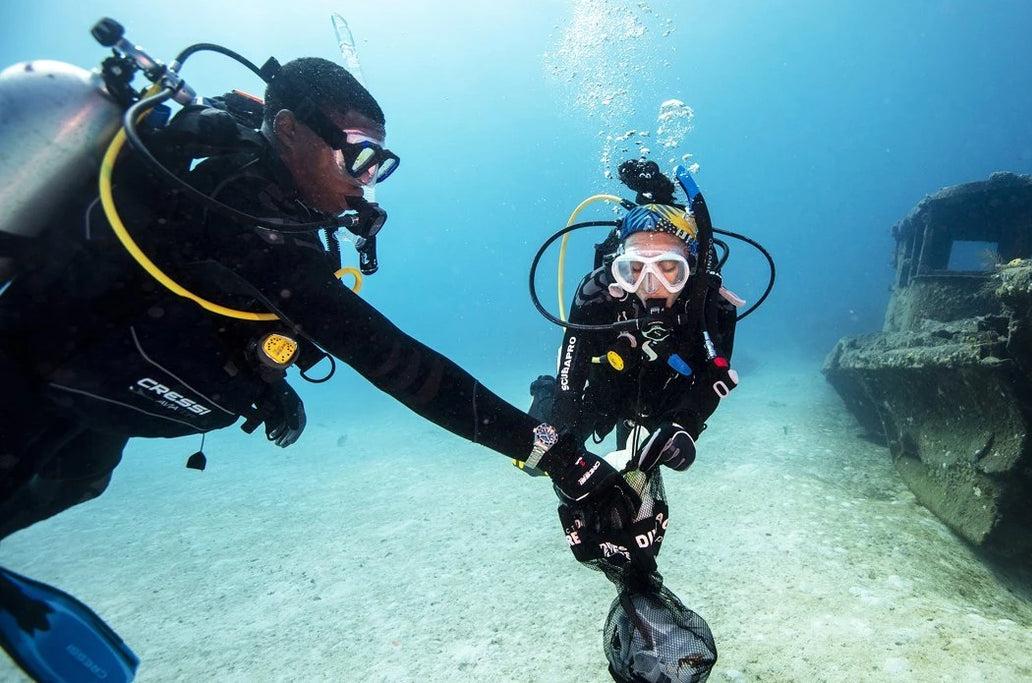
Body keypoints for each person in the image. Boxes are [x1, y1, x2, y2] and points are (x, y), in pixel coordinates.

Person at [0, 53, 635, 680]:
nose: (367, 179)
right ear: (288, 131)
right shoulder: (233, 201)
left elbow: (236, 309)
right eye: (357, 154)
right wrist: (555, 454)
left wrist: (264, 385)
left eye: (378, 162)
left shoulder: (281, 216)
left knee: (80, 477)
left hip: (100, 387)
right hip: (26, 372)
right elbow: (393, 360)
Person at [526, 160, 740, 683]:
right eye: (634, 270)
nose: (651, 287)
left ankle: (641, 586)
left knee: (641, 490)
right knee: (537, 448)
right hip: (604, 390)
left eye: (670, 269)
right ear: (615, 269)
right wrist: (556, 450)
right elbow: (570, 383)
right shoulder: (597, 295)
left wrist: (688, 426)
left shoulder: (712, 308)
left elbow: (713, 378)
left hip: (664, 399)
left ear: (694, 265)